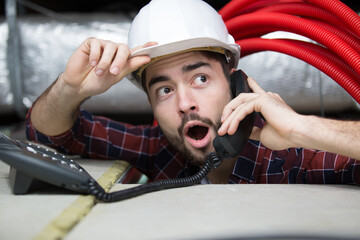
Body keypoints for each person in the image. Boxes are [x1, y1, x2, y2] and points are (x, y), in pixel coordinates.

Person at [26, 0, 360, 184]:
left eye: (200, 79)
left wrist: (304, 129)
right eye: (165, 90)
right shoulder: (162, 149)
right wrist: (69, 88)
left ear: (235, 82)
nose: (185, 104)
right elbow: (49, 135)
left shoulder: (294, 157)